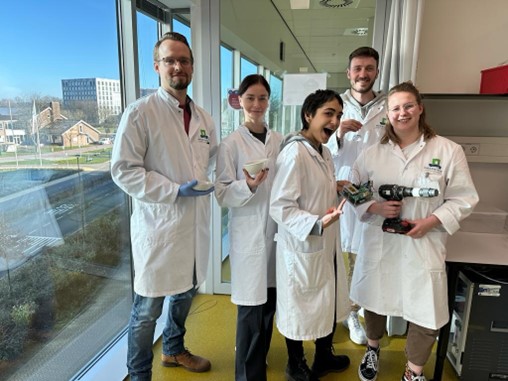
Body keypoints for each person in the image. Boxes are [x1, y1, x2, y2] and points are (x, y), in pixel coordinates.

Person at [350, 82, 479, 381]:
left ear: (420, 108)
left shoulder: (448, 151)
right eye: (395, 108)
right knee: (373, 298)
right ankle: (372, 348)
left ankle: (414, 371)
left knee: (426, 308)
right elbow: (352, 189)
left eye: (408, 105)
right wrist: (375, 208)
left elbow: (464, 197)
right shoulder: (371, 154)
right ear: (387, 114)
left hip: (424, 243)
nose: (402, 113)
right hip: (380, 241)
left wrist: (431, 221)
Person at [110, 32, 217, 381]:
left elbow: (213, 161)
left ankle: (173, 349)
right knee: (146, 310)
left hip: (194, 226)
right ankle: (139, 373)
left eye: (184, 60)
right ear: (157, 67)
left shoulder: (203, 118)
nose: (178, 66)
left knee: (185, 293)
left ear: (192, 67)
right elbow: (123, 170)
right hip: (159, 228)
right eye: (170, 60)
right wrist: (173, 190)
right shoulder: (140, 113)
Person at [270, 89, 351, 381]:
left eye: (339, 115)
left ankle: (324, 355)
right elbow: (280, 206)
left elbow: (312, 191)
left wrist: (336, 186)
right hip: (303, 244)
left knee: (325, 300)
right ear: (309, 115)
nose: (335, 120)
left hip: (324, 243)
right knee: (300, 306)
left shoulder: (324, 151)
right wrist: (316, 223)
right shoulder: (295, 152)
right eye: (328, 113)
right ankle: (295, 363)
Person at [214, 74, 282, 381]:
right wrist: (250, 186)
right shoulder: (230, 145)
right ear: (239, 101)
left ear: (269, 102)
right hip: (250, 235)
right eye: (250, 98)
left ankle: (258, 361)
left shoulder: (279, 140)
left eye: (262, 98)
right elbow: (223, 193)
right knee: (249, 311)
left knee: (269, 304)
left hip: (277, 234)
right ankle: (246, 375)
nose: (256, 104)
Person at [325, 46, 386, 345]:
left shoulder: (389, 107)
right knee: (343, 256)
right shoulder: (334, 105)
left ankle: (362, 310)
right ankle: (347, 313)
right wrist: (337, 135)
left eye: (369, 68)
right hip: (342, 191)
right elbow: (315, 146)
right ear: (348, 72)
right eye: (357, 68)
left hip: (374, 195)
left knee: (369, 256)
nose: (363, 74)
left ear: (376, 72)